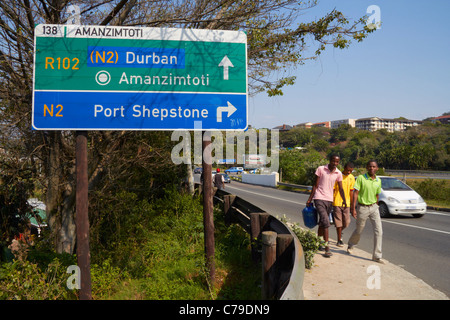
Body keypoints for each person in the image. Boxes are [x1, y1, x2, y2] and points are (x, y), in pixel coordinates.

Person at [306, 154, 347, 257]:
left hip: (329, 200)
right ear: (330, 160)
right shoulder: (321, 169)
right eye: (333, 161)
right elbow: (315, 185)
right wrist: (310, 199)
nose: (335, 163)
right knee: (326, 221)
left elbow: (341, 188)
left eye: (337, 162)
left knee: (322, 222)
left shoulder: (338, 173)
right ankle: (327, 247)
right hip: (319, 198)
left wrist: (344, 200)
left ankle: (318, 242)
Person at [347, 160, 384, 264]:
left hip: (374, 207)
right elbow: (355, 193)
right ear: (367, 168)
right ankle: (351, 244)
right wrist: (353, 208)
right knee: (359, 230)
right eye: (370, 166)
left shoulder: (378, 180)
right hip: (362, 208)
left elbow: (377, 194)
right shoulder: (361, 178)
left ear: (377, 168)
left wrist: (376, 205)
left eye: (374, 167)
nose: (372, 168)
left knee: (379, 231)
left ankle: (377, 256)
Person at [332, 162, 355, 247]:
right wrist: (332, 200)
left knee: (347, 222)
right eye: (348, 170)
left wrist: (352, 206)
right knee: (339, 222)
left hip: (347, 203)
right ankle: (339, 240)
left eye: (351, 171)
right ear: (344, 168)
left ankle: (340, 231)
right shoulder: (338, 176)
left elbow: (351, 192)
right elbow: (333, 189)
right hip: (337, 202)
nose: (349, 172)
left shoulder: (352, 178)